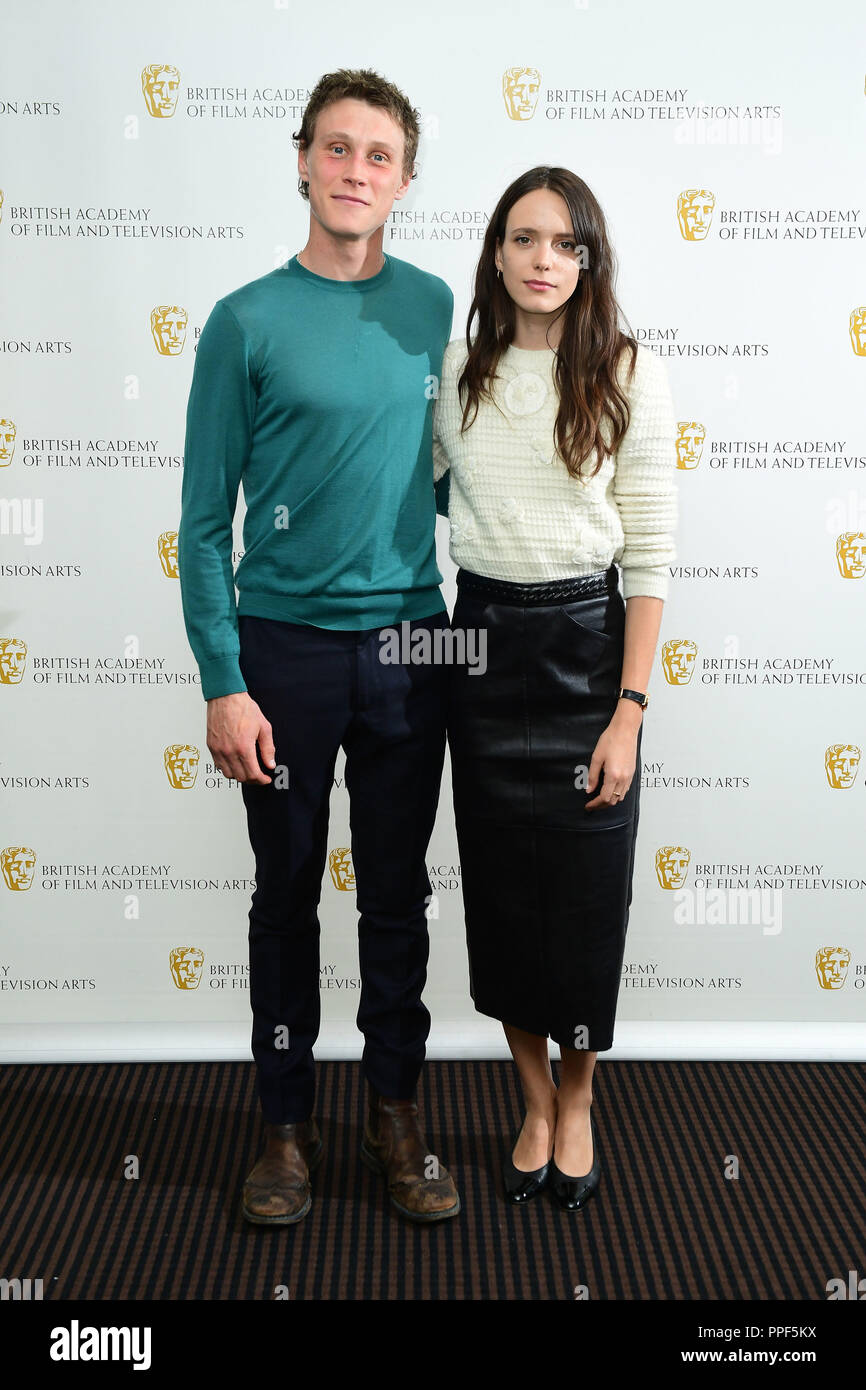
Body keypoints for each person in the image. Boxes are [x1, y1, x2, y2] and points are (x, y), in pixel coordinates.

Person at [177, 68, 460, 1225]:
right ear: (301, 161)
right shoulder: (244, 319)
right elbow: (202, 522)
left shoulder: (438, 305)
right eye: (336, 150)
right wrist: (222, 678)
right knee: (284, 895)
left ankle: (396, 1120)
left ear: (403, 178)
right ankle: (284, 1129)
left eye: (377, 155)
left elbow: (465, 474)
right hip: (282, 653)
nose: (355, 172)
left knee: (396, 898)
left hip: (411, 644)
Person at [433, 166, 678, 1211]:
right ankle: (529, 1095)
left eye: (565, 244)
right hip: (479, 644)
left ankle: (576, 1100)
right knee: (498, 900)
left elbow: (651, 560)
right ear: (495, 252)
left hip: (586, 649)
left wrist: (627, 711)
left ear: (588, 260)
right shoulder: (452, 370)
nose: (543, 261)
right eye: (525, 239)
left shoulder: (626, 370)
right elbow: (409, 503)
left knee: (580, 908)